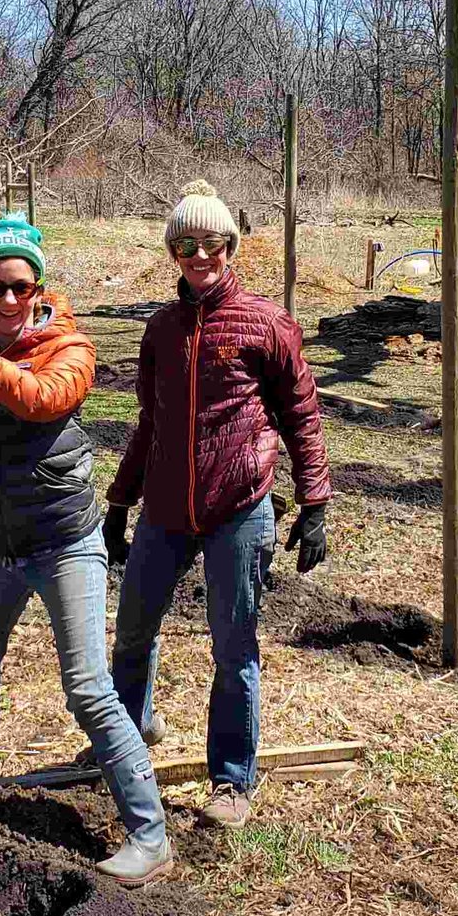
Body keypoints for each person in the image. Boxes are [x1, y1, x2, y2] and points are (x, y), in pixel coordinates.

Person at [0, 215, 174, 887]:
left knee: (87, 689)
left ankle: (150, 834)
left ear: (40, 286)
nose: (9, 301)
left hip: (65, 544)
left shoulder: (68, 346)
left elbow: (40, 398)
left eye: (21, 286)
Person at [104, 180, 333, 830]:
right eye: (185, 245)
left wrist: (315, 500)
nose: (198, 256)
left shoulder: (267, 324)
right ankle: (125, 741)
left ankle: (231, 780)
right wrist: (121, 500)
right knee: (133, 632)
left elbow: (302, 413)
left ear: (229, 246)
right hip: (167, 508)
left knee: (233, 648)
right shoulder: (160, 329)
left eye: (210, 244)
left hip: (240, 504)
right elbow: (149, 422)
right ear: (173, 251)